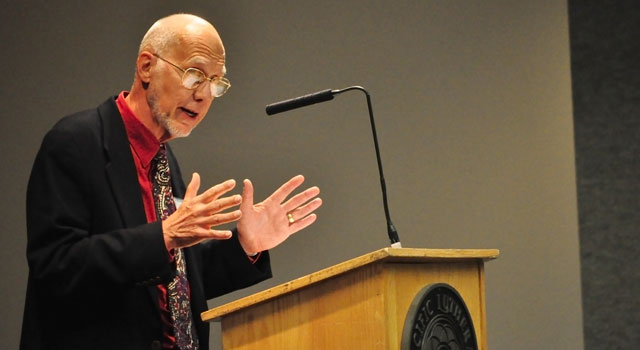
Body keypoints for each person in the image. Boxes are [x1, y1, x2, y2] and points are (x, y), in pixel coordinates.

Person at [20, 13, 322, 350]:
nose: (205, 94)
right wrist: (165, 235)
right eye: (195, 75)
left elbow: (172, 283)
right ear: (147, 67)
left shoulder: (164, 161)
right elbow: (56, 268)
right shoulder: (75, 143)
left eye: (216, 83)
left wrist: (245, 245)